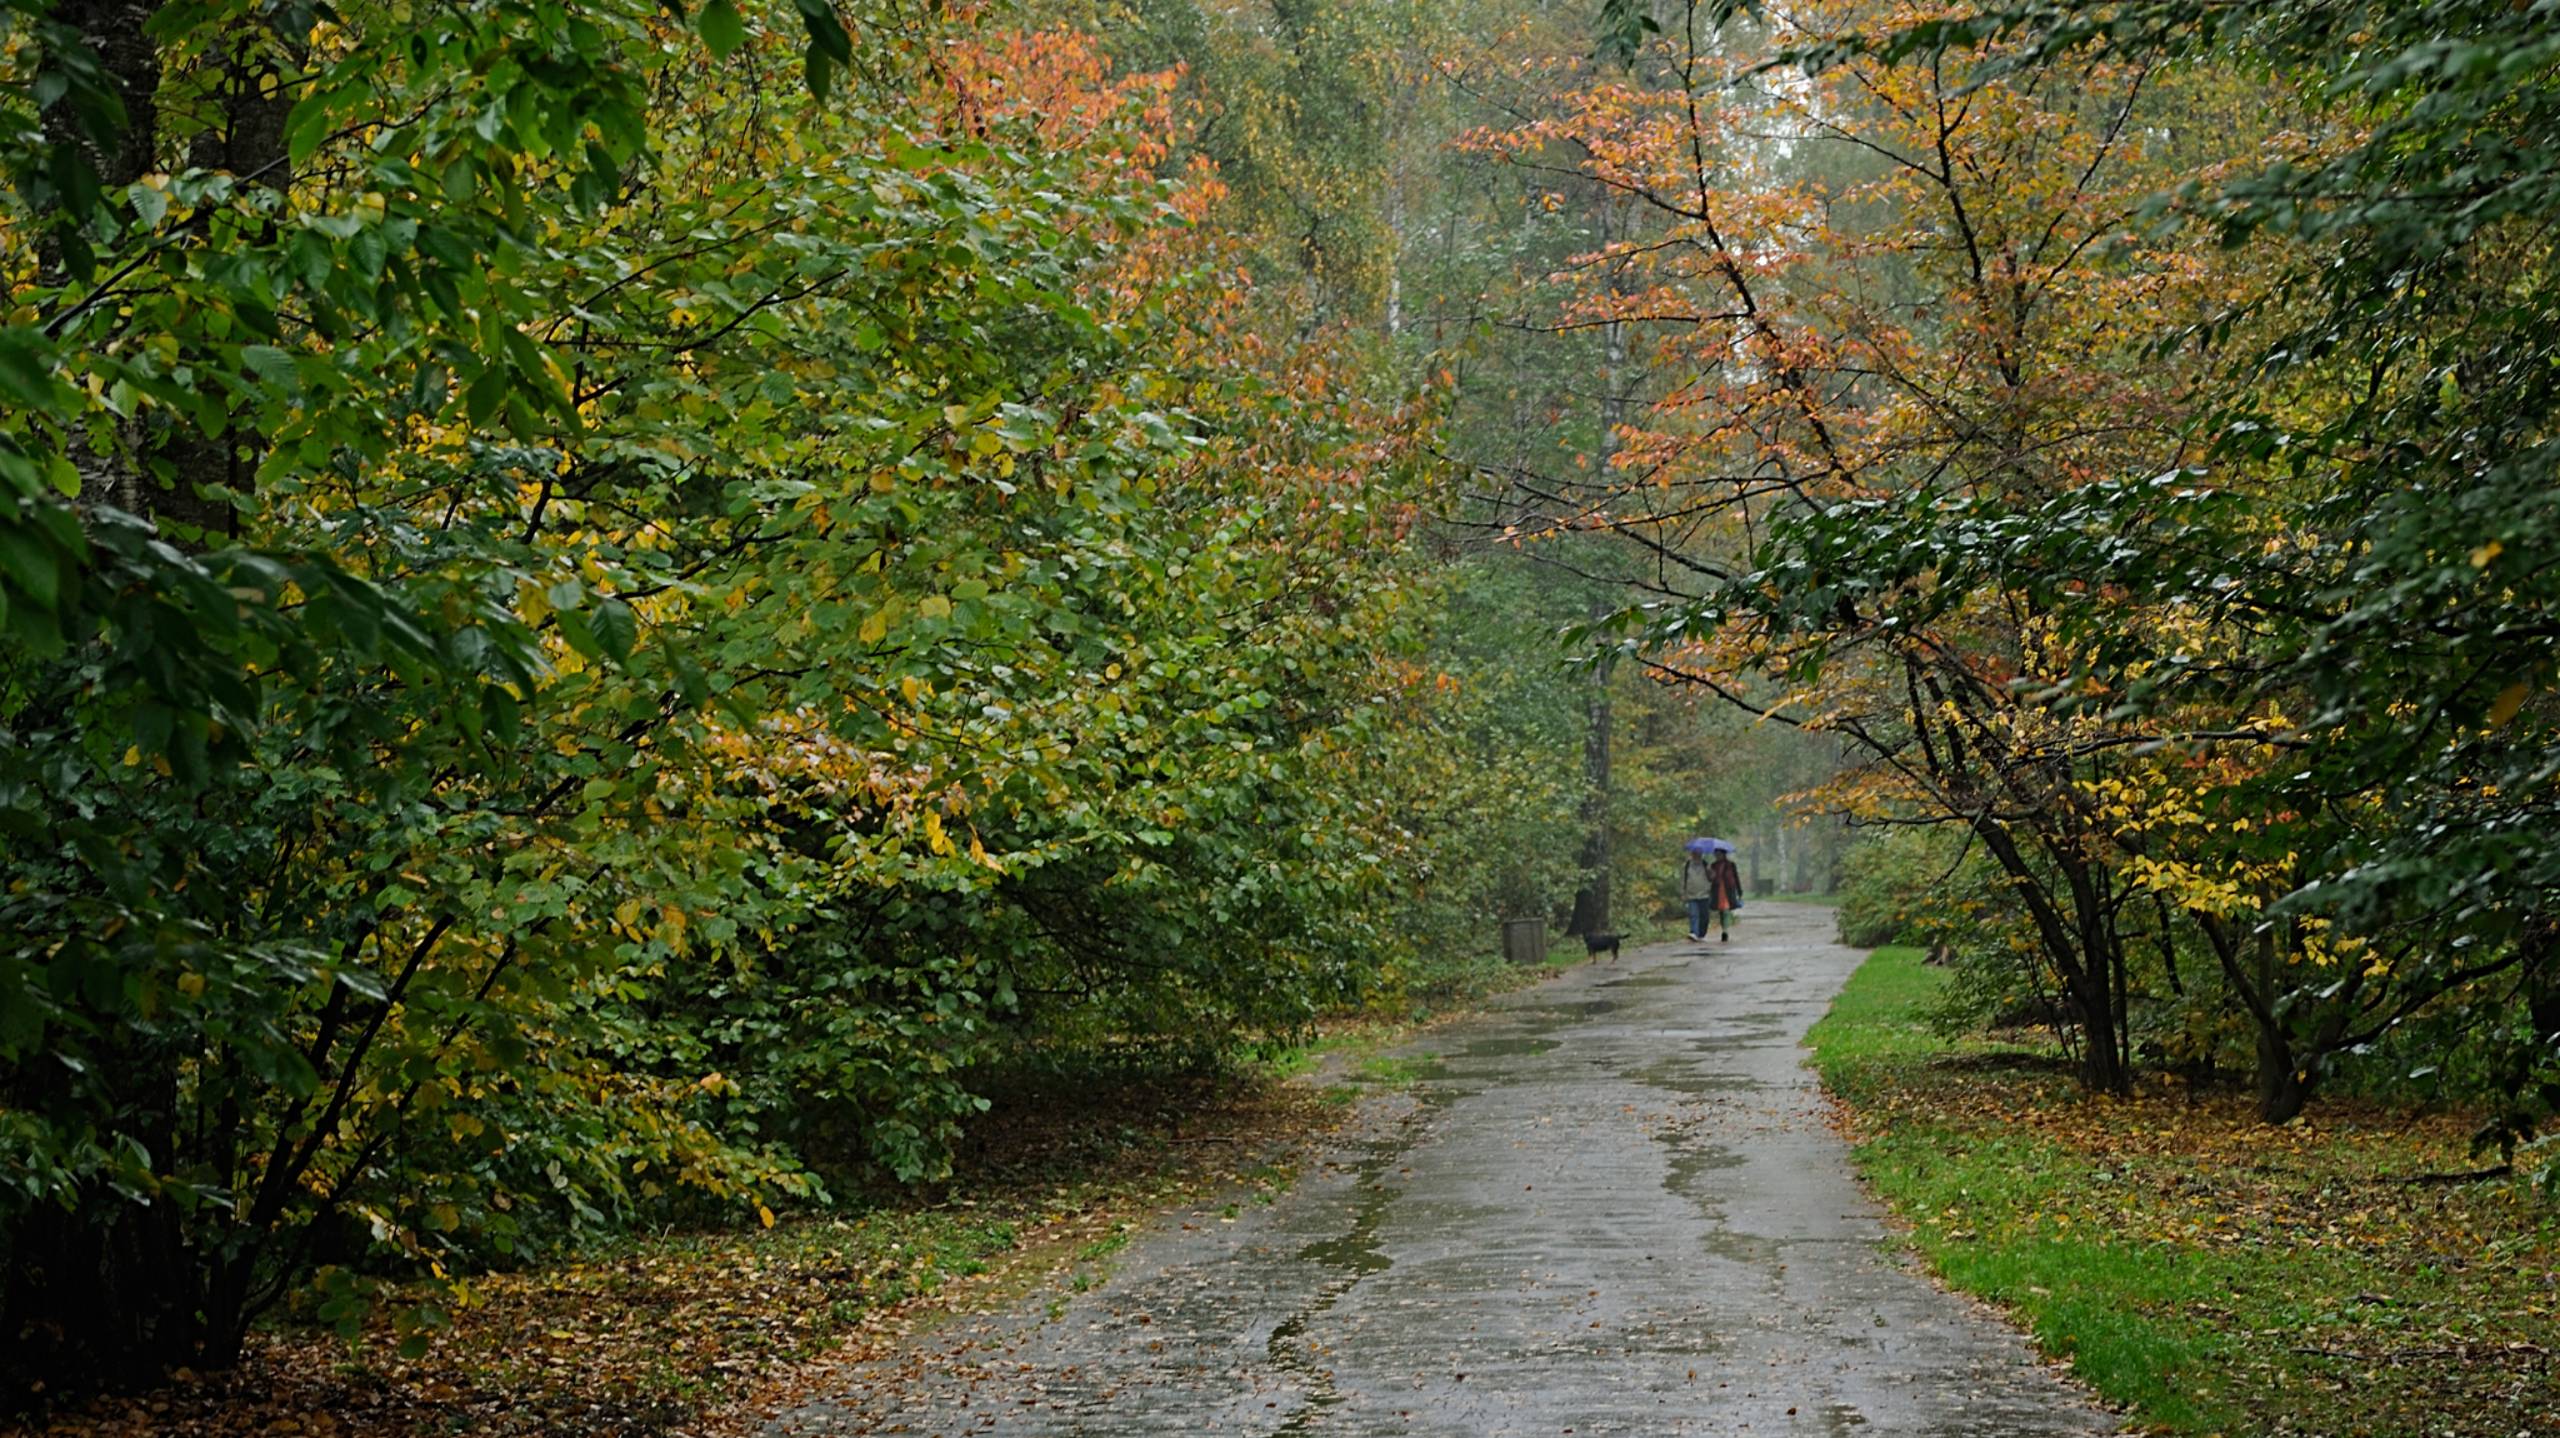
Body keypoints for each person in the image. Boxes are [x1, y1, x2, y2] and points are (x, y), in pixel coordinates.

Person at [1680, 845, 1717, 941]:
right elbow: (1683, 880)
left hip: (1704, 894)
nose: (1697, 855)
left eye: (1699, 853)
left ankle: (1701, 934)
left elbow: (1713, 878)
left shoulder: (1705, 864)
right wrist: (1683, 892)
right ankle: (1693, 932)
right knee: (1693, 915)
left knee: (1704, 916)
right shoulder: (1687, 865)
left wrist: (1710, 871)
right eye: (1695, 853)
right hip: (1691, 894)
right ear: (1692, 854)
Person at [1708, 847, 1744, 942]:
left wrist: (1739, 890)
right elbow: (1710, 879)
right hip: (1717, 890)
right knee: (1721, 911)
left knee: (1726, 910)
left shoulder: (1731, 865)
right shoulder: (1713, 865)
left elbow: (1735, 877)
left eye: (1719, 854)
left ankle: (1725, 931)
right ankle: (1724, 928)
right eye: (1716, 854)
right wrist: (1710, 874)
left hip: (1728, 890)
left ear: (1723, 854)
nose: (1717, 856)